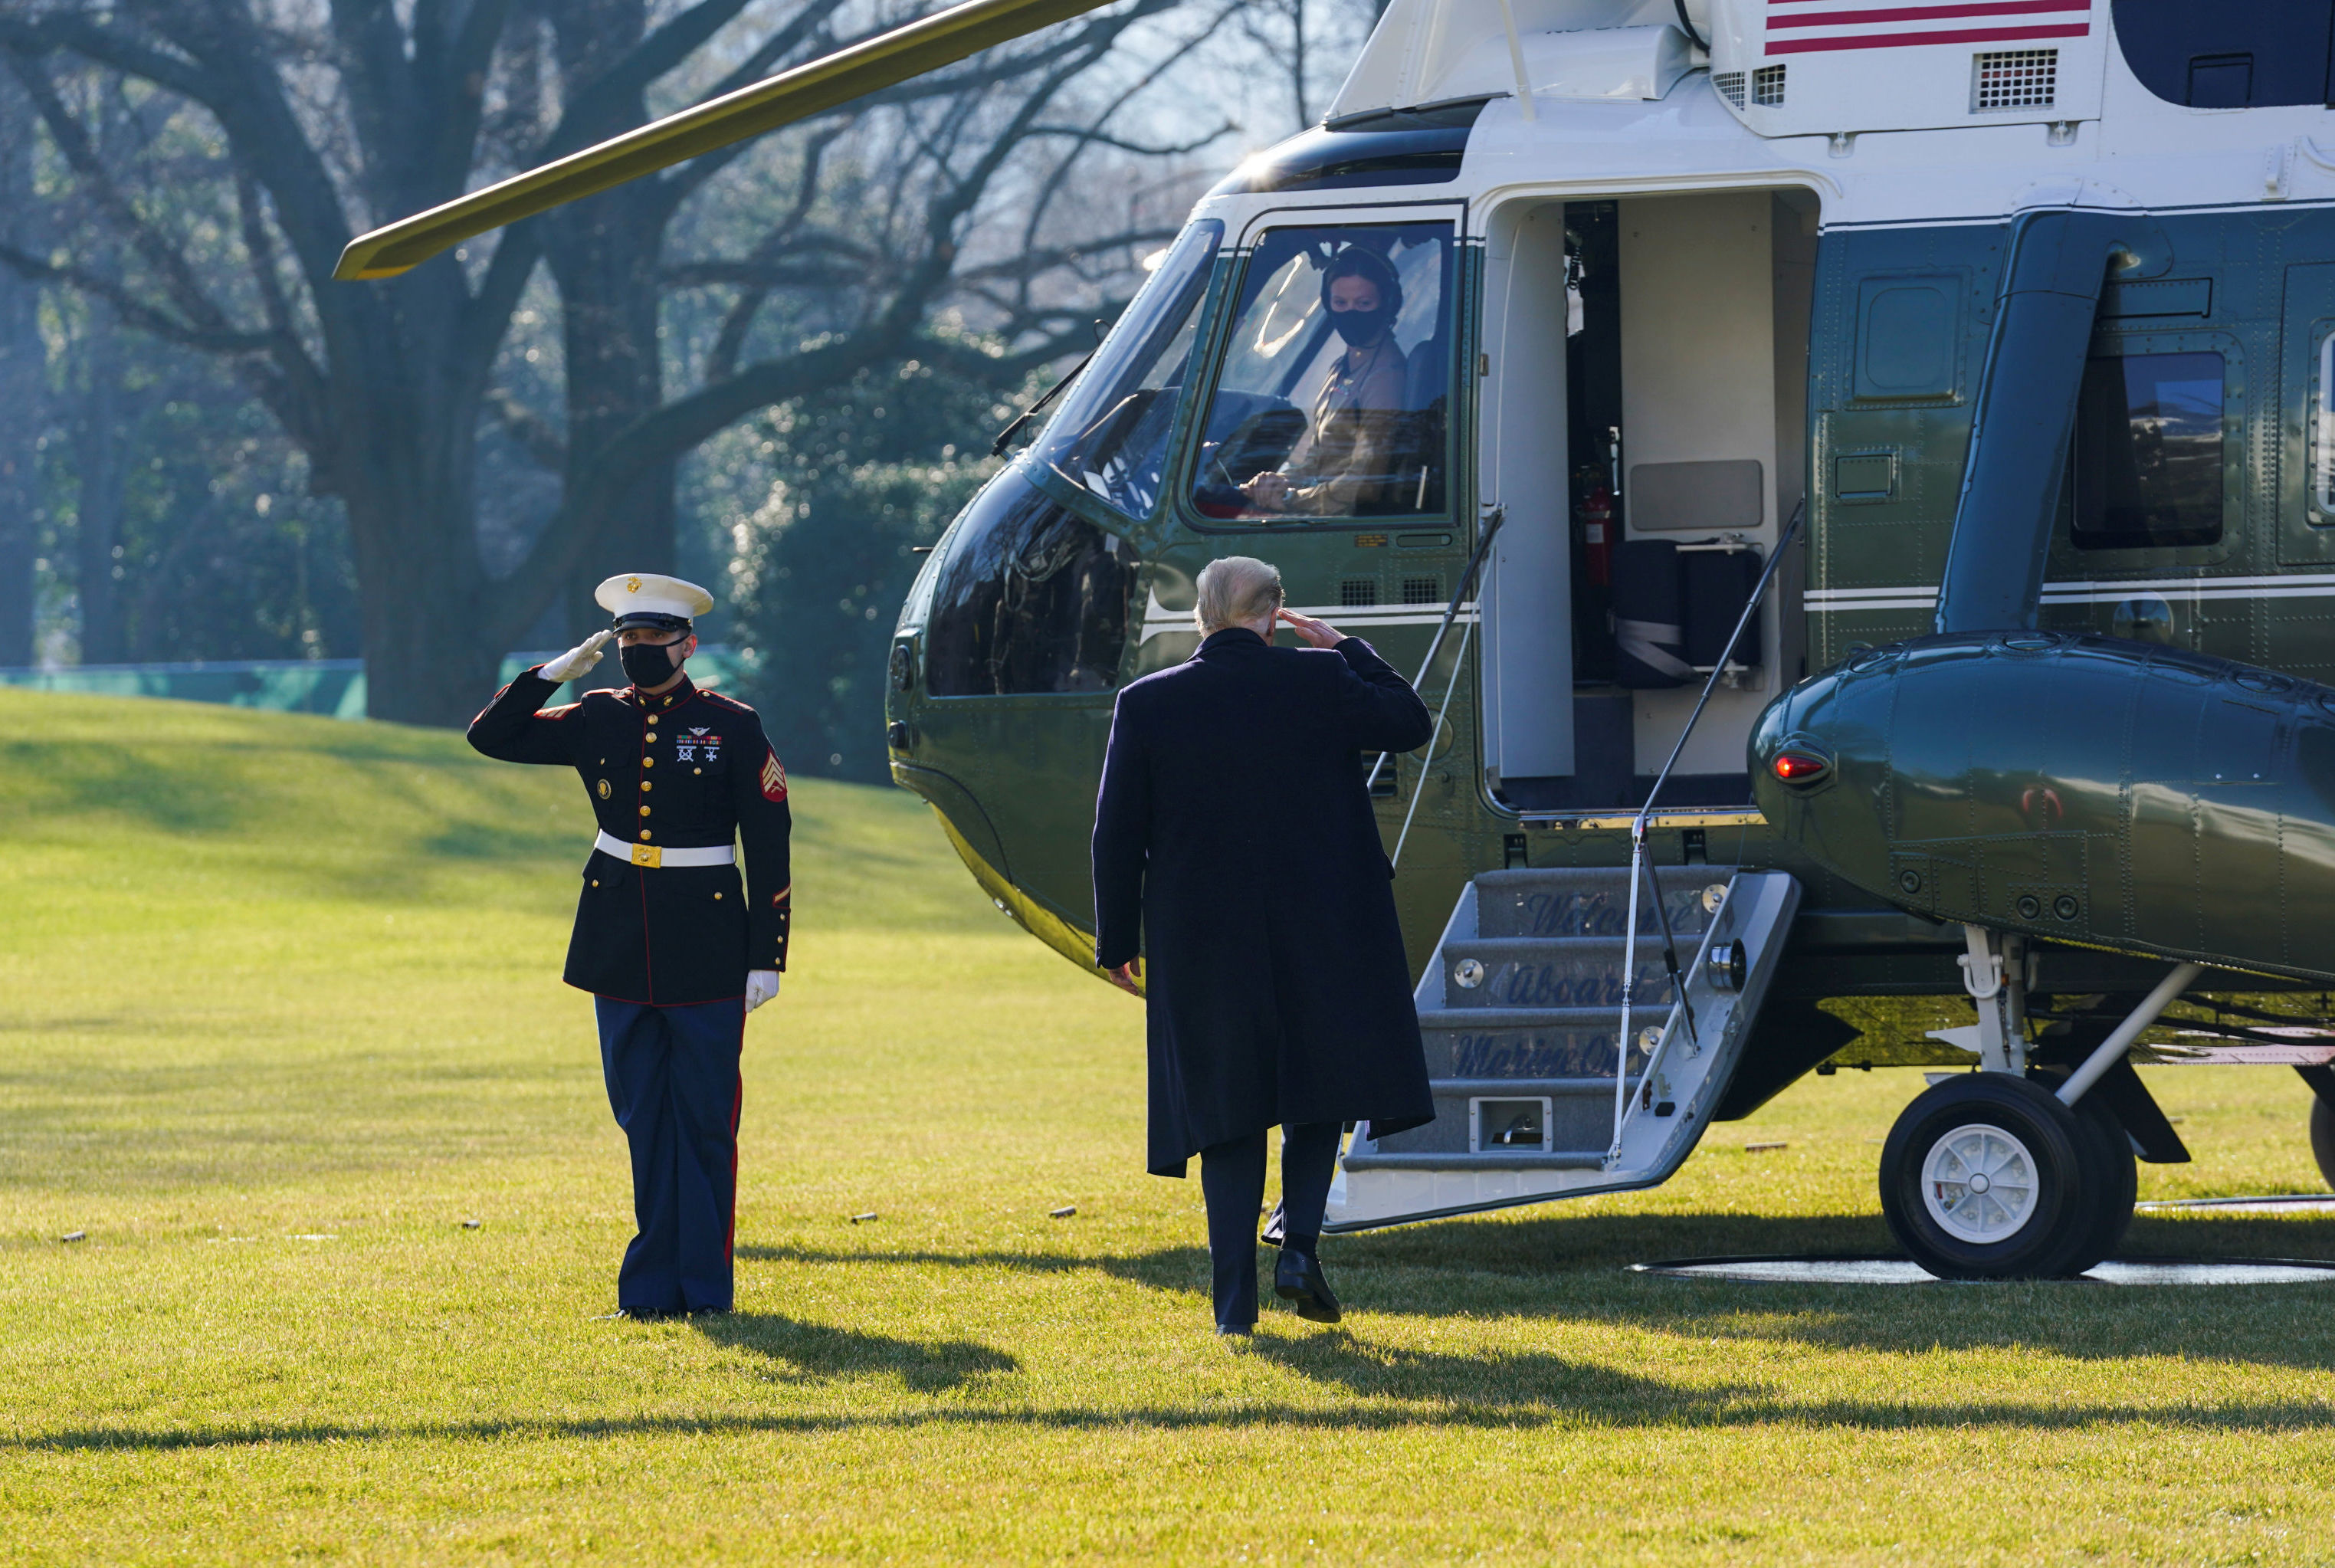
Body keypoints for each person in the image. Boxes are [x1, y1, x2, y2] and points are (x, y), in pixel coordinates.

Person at [1090, 556, 1436, 1336]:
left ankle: (1231, 1308)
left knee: (1227, 1109)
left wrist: (1117, 940)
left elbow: (1115, 834)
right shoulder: (1316, 680)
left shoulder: (1146, 703)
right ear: (1273, 614)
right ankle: (1298, 1249)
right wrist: (1344, 645)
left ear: (1201, 617)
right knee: (1319, 1089)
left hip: (1201, 935)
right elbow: (1408, 724)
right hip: (1323, 922)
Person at [467, 573, 792, 1320]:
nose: (639, 652)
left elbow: (769, 844)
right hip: (617, 939)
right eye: (627, 640)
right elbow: (490, 736)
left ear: (687, 643)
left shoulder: (732, 726)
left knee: (705, 1122)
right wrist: (550, 675)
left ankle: (705, 1295)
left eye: (653, 639)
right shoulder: (594, 716)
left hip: (708, 941)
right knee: (642, 1119)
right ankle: (649, 1295)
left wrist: (766, 954)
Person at [1241, 248, 1412, 518]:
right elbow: (1318, 461)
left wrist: (1291, 499)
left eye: (1364, 303)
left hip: (1347, 520)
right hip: (1324, 510)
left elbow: (1365, 482)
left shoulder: (1385, 376)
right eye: (1340, 303)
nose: (1351, 312)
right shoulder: (1343, 367)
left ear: (1387, 303)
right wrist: (1279, 483)